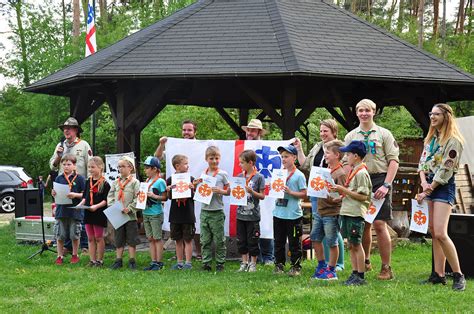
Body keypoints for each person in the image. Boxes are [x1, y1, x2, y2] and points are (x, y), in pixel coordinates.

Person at [343, 99, 399, 280]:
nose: (364, 113)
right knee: (363, 223)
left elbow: (393, 161)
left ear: (374, 112)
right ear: (356, 113)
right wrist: (346, 184)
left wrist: (386, 184)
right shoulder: (351, 135)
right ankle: (365, 261)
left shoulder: (384, 134)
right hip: (359, 180)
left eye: (367, 110)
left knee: (379, 224)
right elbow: (346, 162)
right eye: (360, 110)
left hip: (379, 179)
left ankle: (386, 267)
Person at [417, 103, 466, 291]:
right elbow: (422, 163)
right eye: (431, 114)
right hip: (428, 183)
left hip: (443, 186)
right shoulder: (431, 138)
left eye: (436, 114)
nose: (432, 117)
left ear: (446, 116)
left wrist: (430, 188)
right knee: (432, 230)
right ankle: (437, 275)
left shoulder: (453, 141)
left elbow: (447, 168)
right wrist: (423, 183)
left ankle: (458, 274)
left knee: (440, 232)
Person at [294, 119, 345, 271]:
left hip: (331, 191)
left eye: (326, 131)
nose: (322, 134)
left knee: (332, 229)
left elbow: (344, 168)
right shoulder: (318, 147)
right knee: (320, 227)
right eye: (321, 131)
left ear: (334, 132)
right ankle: (326, 262)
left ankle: (338, 263)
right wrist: (299, 149)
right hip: (316, 190)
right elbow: (305, 164)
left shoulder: (340, 148)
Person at [155, 119, 202, 260]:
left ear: (195, 131)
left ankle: (197, 253)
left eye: (189, 130)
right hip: (177, 191)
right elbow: (157, 158)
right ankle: (179, 255)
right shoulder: (174, 145)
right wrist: (162, 144)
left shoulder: (200, 145)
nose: (186, 132)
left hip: (193, 188)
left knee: (195, 221)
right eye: (184, 130)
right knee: (180, 225)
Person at [331, 140, 372, 286]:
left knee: (356, 244)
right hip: (348, 212)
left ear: (356, 156)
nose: (345, 157)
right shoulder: (355, 171)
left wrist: (343, 190)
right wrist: (341, 197)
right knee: (351, 244)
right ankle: (354, 273)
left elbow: (363, 196)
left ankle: (360, 275)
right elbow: (353, 192)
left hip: (356, 214)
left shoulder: (361, 173)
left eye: (347, 154)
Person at [311, 140, 346, 280]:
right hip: (320, 210)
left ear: (337, 155)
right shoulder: (326, 171)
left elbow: (343, 194)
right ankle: (321, 266)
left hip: (332, 213)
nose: (324, 156)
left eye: (327, 153)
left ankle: (332, 270)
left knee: (332, 241)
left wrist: (335, 197)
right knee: (315, 238)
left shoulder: (340, 173)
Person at [241, 118, 274, 265]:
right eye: (248, 130)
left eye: (253, 130)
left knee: (267, 221)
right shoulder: (243, 147)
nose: (249, 132)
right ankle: (255, 256)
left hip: (265, 184)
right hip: (250, 192)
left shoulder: (267, 147)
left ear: (259, 132)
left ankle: (268, 256)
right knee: (254, 226)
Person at [273, 145, 307, 277]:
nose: (283, 159)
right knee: (278, 241)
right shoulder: (279, 173)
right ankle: (279, 265)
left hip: (293, 215)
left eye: (286, 156)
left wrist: (290, 192)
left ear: (294, 157)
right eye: (282, 157)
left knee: (294, 242)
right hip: (278, 213)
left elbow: (304, 194)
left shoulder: (299, 175)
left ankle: (296, 266)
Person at [196, 146, 230, 272]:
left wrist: (221, 191)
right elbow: (200, 190)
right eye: (211, 158)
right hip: (204, 211)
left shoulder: (222, 174)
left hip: (217, 211)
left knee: (219, 239)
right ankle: (206, 263)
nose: (214, 161)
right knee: (205, 240)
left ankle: (220, 263)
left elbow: (229, 191)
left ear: (219, 158)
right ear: (206, 159)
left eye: (216, 158)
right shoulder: (203, 174)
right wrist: (195, 184)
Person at [51, 154, 86, 265]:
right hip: (61, 210)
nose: (66, 166)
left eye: (69, 164)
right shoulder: (59, 178)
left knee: (74, 234)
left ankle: (75, 254)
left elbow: (85, 195)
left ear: (74, 166)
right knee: (60, 234)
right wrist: (54, 193)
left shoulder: (80, 179)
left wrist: (75, 195)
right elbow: (55, 195)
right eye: (64, 164)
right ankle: (59, 255)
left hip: (75, 211)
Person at [108, 156, 141, 270]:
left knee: (131, 239)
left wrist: (130, 208)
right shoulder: (116, 182)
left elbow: (138, 198)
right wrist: (113, 207)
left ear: (130, 168)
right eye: (119, 167)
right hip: (118, 215)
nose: (120, 169)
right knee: (119, 238)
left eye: (122, 166)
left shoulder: (135, 182)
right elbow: (110, 196)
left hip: (130, 216)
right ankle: (118, 260)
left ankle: (132, 260)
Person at [77, 156, 110, 267]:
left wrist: (96, 206)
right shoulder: (88, 181)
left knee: (99, 237)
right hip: (88, 212)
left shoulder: (105, 183)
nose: (90, 169)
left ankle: (100, 260)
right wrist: (80, 204)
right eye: (89, 167)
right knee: (90, 238)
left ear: (100, 167)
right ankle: (92, 260)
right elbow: (85, 197)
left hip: (98, 213)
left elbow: (106, 200)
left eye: (93, 167)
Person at [236, 150, 266, 273]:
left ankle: (253, 263)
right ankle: (244, 262)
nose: (240, 165)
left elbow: (262, 196)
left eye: (242, 162)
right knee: (241, 240)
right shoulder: (239, 177)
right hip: (240, 214)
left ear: (250, 163)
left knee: (253, 240)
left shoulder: (259, 177)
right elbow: (233, 192)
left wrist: (251, 192)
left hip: (253, 216)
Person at [167, 154, 196, 270]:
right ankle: (179, 262)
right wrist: (168, 190)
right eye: (185, 164)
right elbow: (169, 197)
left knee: (188, 239)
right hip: (175, 214)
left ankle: (188, 263)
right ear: (177, 166)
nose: (187, 166)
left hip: (187, 213)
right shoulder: (170, 179)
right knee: (177, 239)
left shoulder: (191, 179)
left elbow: (195, 196)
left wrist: (192, 188)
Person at [142, 156, 168, 271]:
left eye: (147, 167)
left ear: (154, 169)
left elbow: (165, 197)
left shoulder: (160, 181)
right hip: (146, 212)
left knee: (157, 238)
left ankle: (159, 262)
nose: (145, 170)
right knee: (150, 238)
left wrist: (154, 196)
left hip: (156, 213)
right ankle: (153, 261)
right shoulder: (146, 181)